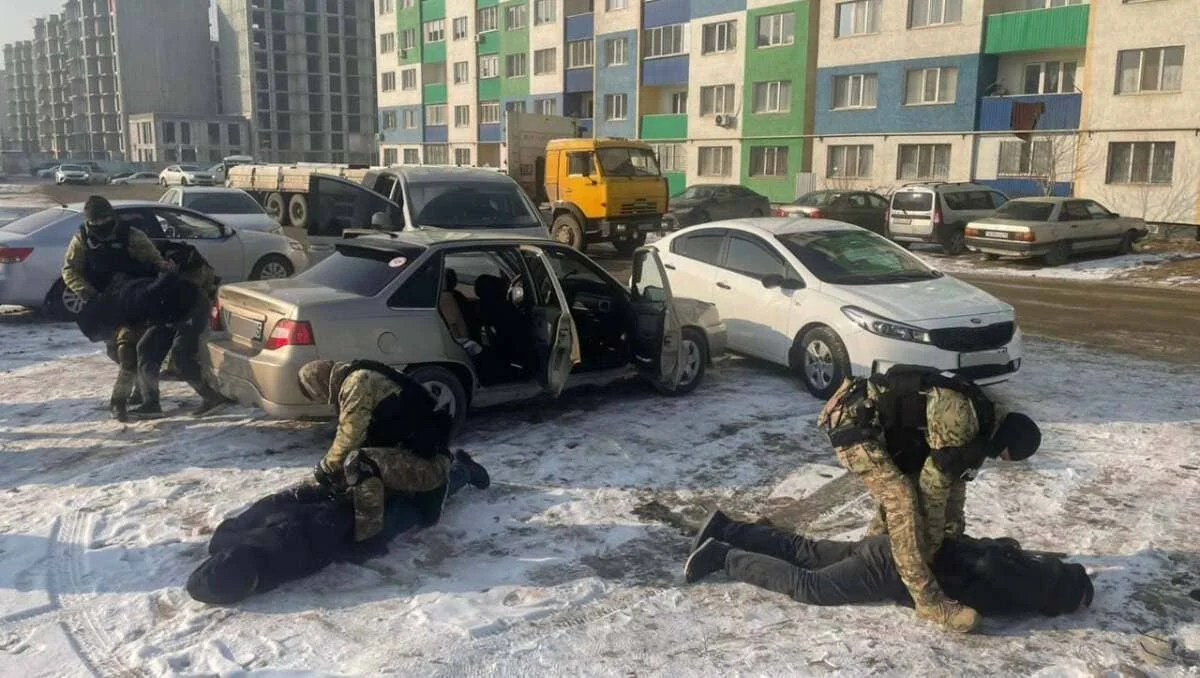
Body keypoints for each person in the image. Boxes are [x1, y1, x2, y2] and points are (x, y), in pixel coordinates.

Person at [816, 365, 1042, 633]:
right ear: (1007, 440)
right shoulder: (964, 419)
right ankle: (927, 600)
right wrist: (932, 551)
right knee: (902, 500)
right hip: (852, 424)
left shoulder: (985, 422)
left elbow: (956, 482)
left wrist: (953, 536)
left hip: (880, 427)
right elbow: (933, 487)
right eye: (1006, 455)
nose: (1001, 460)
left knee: (907, 491)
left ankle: (872, 554)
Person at [187, 451, 491, 605]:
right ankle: (459, 470)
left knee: (415, 510)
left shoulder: (282, 557)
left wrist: (338, 500)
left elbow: (324, 526)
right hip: (345, 525)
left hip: (347, 520)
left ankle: (455, 470)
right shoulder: (226, 543)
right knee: (413, 508)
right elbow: (265, 510)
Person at [683, 510, 1093, 619]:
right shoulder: (1031, 587)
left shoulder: (1026, 564)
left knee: (808, 551)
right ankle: (724, 556)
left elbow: (994, 549)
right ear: (1060, 597)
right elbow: (987, 567)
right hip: (896, 570)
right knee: (813, 587)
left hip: (896, 546)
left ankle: (727, 528)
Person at [296, 359, 456, 542]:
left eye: (315, 395)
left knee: (361, 464)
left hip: (429, 465)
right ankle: (454, 471)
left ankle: (369, 540)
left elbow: (349, 437)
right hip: (416, 457)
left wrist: (325, 467)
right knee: (355, 475)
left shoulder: (356, 382)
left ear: (319, 383)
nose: (322, 400)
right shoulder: (362, 374)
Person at [61, 195, 172, 421]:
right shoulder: (82, 239)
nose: (100, 226)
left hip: (133, 301)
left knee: (130, 353)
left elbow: (154, 261)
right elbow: (69, 270)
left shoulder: (131, 236)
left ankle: (123, 401)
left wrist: (163, 269)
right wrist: (88, 292)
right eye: (95, 222)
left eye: (104, 220)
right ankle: (141, 390)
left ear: (111, 216)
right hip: (104, 303)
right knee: (115, 352)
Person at [131, 240, 229, 418]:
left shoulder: (165, 253)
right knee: (146, 347)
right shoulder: (122, 266)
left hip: (191, 307)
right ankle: (150, 402)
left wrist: (173, 270)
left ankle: (211, 396)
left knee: (181, 354)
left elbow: (200, 274)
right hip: (164, 311)